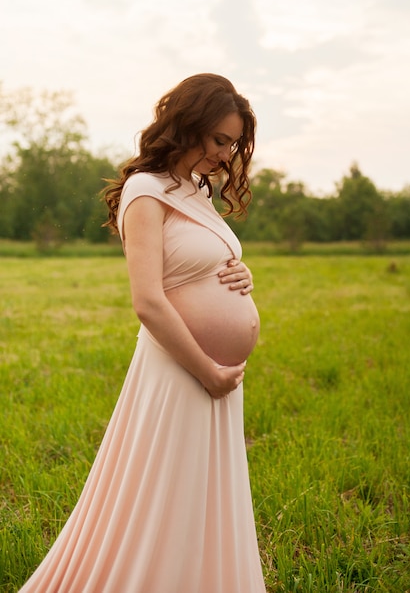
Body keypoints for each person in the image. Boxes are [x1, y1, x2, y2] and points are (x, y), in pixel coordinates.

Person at [20, 73, 266, 592]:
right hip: (181, 370)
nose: (226, 155)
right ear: (189, 124)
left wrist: (240, 272)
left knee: (201, 495)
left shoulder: (196, 191)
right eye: (220, 139)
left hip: (216, 377)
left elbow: (198, 267)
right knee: (164, 495)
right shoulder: (145, 190)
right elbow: (148, 300)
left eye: (233, 144)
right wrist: (208, 371)